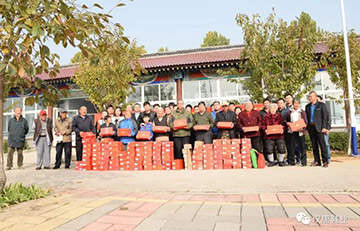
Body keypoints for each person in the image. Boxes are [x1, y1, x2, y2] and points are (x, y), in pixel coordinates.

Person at [305, 91, 331, 167]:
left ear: (316, 97)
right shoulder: (307, 106)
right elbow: (307, 118)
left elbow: (325, 117)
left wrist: (325, 127)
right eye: (309, 97)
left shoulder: (321, 105)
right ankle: (317, 160)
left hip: (320, 128)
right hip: (311, 127)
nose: (310, 98)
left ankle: (325, 161)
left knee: (323, 145)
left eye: (311, 96)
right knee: (314, 145)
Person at [285, 99, 308, 166]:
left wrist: (303, 127)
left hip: (300, 131)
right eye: (295, 103)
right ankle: (292, 161)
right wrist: (288, 123)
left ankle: (303, 161)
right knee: (292, 146)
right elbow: (285, 120)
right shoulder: (289, 112)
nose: (296, 105)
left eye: (297, 103)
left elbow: (306, 121)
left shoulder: (302, 112)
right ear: (292, 104)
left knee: (302, 146)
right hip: (292, 131)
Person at [318, 95, 331, 163]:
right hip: (318, 130)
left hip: (324, 129)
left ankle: (327, 158)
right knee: (318, 145)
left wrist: (327, 128)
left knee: (325, 144)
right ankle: (319, 159)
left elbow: (328, 119)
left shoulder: (325, 108)